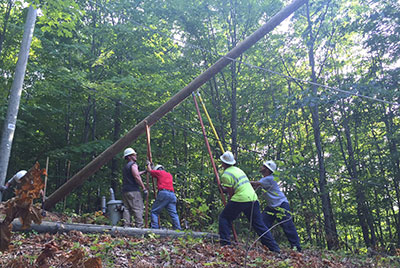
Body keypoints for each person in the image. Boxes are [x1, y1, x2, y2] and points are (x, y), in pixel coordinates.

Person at [218, 151, 280, 253]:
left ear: (223, 163)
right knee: (259, 224)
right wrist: (225, 190)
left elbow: (231, 193)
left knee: (224, 217)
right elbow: (239, 186)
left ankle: (225, 244)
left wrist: (228, 197)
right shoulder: (238, 170)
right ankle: (274, 248)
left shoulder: (225, 175)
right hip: (252, 198)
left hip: (240, 199)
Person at [251, 160, 302, 252]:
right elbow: (254, 187)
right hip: (271, 207)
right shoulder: (265, 180)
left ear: (267, 169)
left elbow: (254, 184)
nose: (261, 167)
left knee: (288, 226)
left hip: (281, 205)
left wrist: (242, 182)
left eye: (263, 166)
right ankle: (268, 246)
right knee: (262, 224)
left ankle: (297, 248)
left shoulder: (269, 179)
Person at [146, 163, 181, 230]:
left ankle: (155, 229)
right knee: (173, 214)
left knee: (154, 211)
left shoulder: (159, 173)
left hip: (164, 193)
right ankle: (178, 229)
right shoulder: (169, 175)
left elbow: (150, 171)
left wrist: (148, 165)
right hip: (172, 195)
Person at [122, 148, 148, 228]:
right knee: (137, 208)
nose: (136, 156)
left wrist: (144, 171)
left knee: (127, 209)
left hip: (125, 191)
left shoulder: (126, 167)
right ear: (129, 157)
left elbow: (135, 174)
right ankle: (139, 228)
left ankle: (126, 227)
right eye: (134, 154)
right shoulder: (133, 164)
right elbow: (136, 176)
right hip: (133, 191)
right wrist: (143, 187)